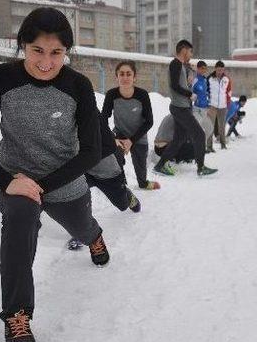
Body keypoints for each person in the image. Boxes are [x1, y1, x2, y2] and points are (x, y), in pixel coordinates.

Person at [0, 8, 107, 342]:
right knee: (22, 220)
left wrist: (41, 185)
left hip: (65, 181)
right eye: (37, 50)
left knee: (81, 228)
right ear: (23, 45)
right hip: (12, 179)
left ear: (66, 52)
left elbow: (91, 152)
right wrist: (6, 181)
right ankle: (17, 315)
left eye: (56, 53)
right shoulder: (0, 78)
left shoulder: (78, 85)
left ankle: (94, 236)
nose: (45, 62)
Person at [66, 119, 142, 251]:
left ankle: (128, 196)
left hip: (108, 173)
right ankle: (84, 233)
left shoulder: (91, 118)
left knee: (122, 205)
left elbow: (112, 145)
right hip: (84, 171)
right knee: (77, 198)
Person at [153, 39, 217, 176]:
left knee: (178, 139)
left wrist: (188, 84)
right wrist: (190, 94)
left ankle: (160, 165)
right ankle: (201, 168)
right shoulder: (175, 64)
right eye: (190, 51)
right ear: (184, 50)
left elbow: (180, 84)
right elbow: (175, 86)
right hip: (179, 108)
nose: (191, 54)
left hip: (183, 107)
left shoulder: (181, 66)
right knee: (199, 134)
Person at [101, 60, 159, 190]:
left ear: (134, 77)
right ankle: (122, 184)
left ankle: (143, 182)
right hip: (120, 134)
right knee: (115, 154)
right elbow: (103, 119)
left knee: (142, 180)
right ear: (117, 77)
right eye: (121, 74)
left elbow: (149, 121)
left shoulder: (142, 95)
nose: (125, 77)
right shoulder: (111, 94)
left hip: (138, 135)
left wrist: (131, 141)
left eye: (128, 74)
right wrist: (113, 139)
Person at [207, 60, 232, 150]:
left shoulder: (226, 79)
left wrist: (228, 103)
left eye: (221, 70)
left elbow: (229, 92)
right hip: (212, 105)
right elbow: (206, 91)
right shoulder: (209, 78)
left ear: (223, 70)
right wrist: (207, 102)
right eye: (218, 70)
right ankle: (209, 146)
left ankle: (223, 144)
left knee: (222, 127)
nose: (220, 72)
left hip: (223, 106)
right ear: (215, 69)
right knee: (210, 126)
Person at [191, 60, 214, 150]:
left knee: (209, 128)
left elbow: (205, 93)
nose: (204, 70)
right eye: (202, 69)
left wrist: (208, 103)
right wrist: (193, 97)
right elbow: (190, 92)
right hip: (197, 110)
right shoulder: (195, 79)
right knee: (197, 130)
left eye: (205, 69)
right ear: (198, 68)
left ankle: (201, 147)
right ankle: (194, 148)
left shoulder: (204, 80)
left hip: (204, 110)